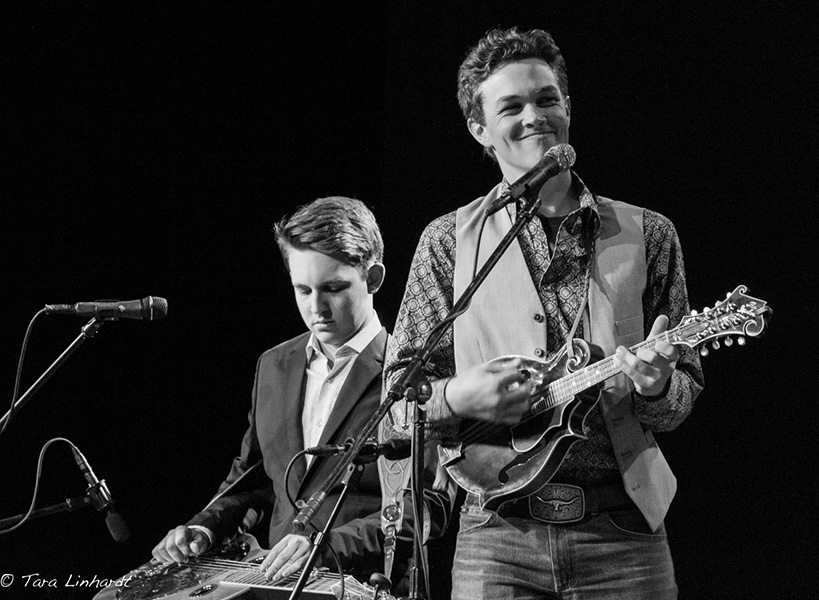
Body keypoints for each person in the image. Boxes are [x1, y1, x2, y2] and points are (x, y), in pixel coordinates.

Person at [382, 27, 705, 599]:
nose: (535, 116)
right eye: (511, 107)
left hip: (624, 535)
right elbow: (395, 407)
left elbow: (681, 399)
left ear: (568, 108)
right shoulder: (447, 243)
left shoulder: (650, 234)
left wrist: (656, 386)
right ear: (479, 129)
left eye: (547, 99)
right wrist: (457, 396)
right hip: (496, 537)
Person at [152, 196, 428, 590]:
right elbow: (256, 480)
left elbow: (428, 505)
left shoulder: (412, 373)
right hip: (276, 587)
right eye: (303, 290)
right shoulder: (274, 364)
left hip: (365, 585)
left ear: (374, 278)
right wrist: (206, 527)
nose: (317, 308)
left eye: (333, 288)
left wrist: (326, 547)